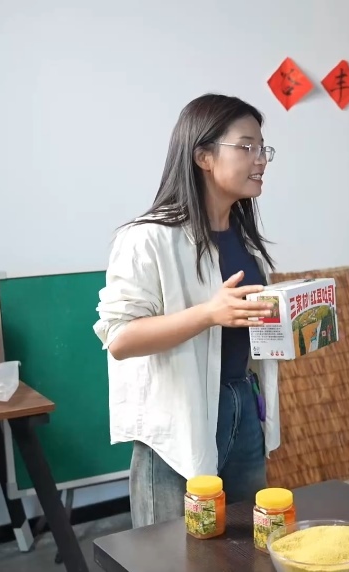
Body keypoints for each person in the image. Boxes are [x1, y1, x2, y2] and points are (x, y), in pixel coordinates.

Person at [92, 94, 281, 528]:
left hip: (241, 404)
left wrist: (289, 324)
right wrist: (208, 314)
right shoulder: (147, 238)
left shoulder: (243, 238)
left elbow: (238, 323)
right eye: (246, 146)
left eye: (263, 148)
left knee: (244, 542)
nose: (261, 160)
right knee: (173, 550)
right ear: (203, 157)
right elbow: (120, 338)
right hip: (178, 421)